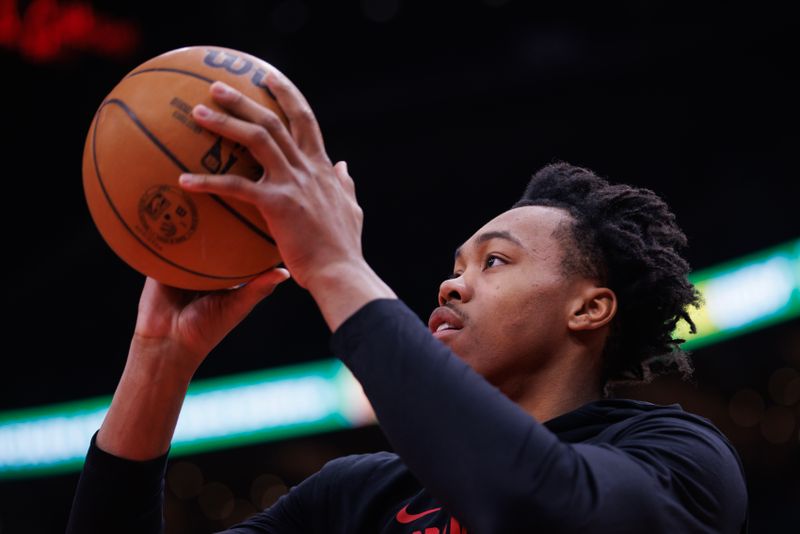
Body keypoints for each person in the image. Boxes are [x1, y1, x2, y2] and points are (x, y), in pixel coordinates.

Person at [66, 70, 748, 533]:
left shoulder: (677, 455)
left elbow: (538, 507)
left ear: (589, 309)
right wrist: (160, 361)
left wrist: (336, 266)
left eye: (495, 261)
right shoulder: (356, 497)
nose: (452, 284)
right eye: (455, 266)